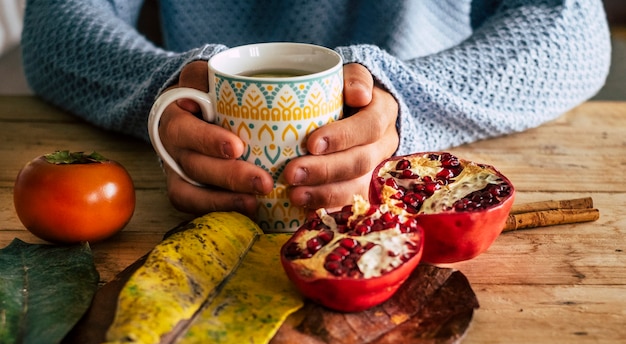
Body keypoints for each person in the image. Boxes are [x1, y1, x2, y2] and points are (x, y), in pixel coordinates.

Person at [21, 0, 611, 220]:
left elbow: (573, 25)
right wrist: (164, 93)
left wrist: (405, 102)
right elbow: (53, 22)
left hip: (411, 195)